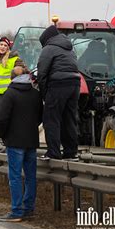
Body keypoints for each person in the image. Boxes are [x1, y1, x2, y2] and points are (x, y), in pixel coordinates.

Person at [0, 67, 43, 222]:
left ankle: (16, 211)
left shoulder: (9, 94)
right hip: (31, 140)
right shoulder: (35, 94)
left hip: (14, 140)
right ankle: (28, 208)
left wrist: (4, 136)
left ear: (12, 77)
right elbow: (40, 116)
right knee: (31, 176)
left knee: (15, 176)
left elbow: (2, 118)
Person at [37, 25, 80, 160]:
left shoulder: (48, 49)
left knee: (51, 118)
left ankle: (53, 152)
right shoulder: (70, 49)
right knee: (69, 118)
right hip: (75, 84)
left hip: (58, 85)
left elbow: (42, 74)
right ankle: (71, 152)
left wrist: (44, 95)